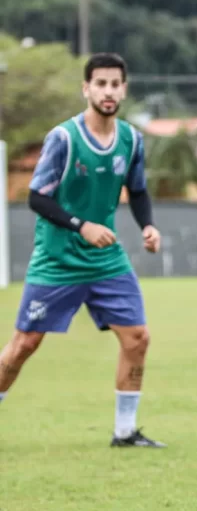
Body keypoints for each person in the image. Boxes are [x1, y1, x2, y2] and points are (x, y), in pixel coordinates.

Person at [0, 52, 164, 448]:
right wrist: (81, 225)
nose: (108, 91)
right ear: (86, 88)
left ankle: (125, 431)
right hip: (57, 259)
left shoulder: (131, 139)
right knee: (24, 345)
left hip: (106, 259)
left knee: (137, 338)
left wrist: (148, 226)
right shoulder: (64, 138)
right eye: (101, 83)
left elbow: (138, 190)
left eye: (115, 84)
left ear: (124, 89)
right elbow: (37, 198)